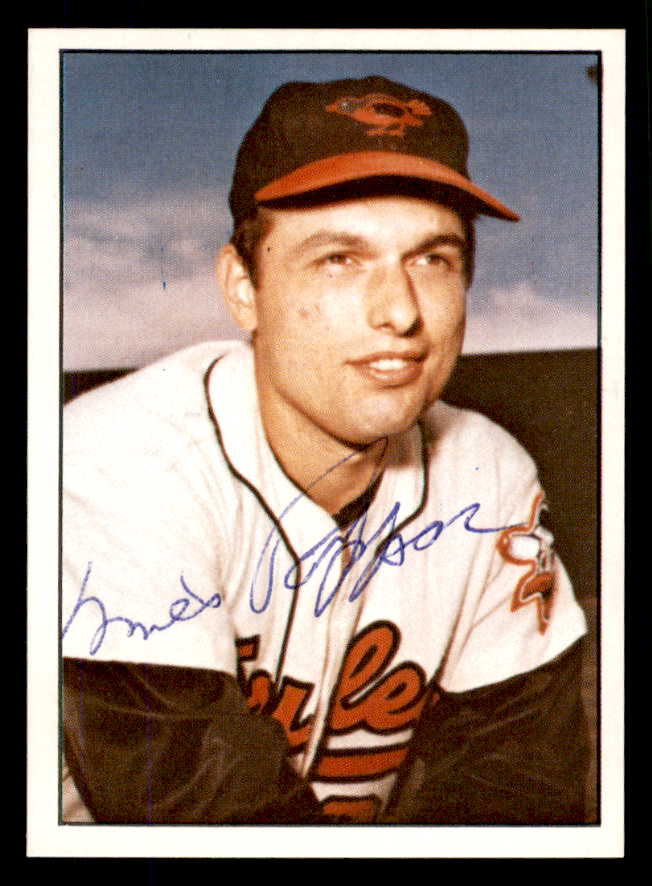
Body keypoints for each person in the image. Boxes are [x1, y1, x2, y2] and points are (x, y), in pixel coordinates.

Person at [61, 75, 590, 825]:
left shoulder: (486, 471)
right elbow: (199, 819)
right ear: (243, 287)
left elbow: (519, 790)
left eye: (432, 259)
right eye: (339, 259)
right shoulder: (114, 462)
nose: (400, 311)